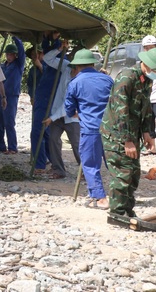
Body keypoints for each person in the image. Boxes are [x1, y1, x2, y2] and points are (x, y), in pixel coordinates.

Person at [100, 47, 156, 217]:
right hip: (117, 135)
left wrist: (147, 132)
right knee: (123, 173)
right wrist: (127, 140)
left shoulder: (146, 79)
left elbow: (146, 107)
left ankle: (127, 210)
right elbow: (120, 111)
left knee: (134, 173)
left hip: (132, 133)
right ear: (147, 64)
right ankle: (117, 213)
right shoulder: (127, 78)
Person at [65, 49, 114, 209]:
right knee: (114, 163)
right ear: (93, 64)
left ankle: (100, 198)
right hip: (111, 128)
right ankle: (121, 194)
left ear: (77, 67)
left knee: (90, 164)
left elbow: (69, 111)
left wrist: (81, 114)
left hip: (90, 129)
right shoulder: (107, 80)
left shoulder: (74, 84)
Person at [41, 39, 79, 179]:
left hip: (71, 115)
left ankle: (85, 171)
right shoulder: (66, 67)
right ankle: (58, 169)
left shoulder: (82, 80)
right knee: (53, 139)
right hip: (58, 112)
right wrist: (59, 49)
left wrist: (52, 117)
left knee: (76, 144)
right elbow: (47, 59)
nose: (75, 70)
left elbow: (68, 105)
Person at [30, 32, 62, 173]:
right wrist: (47, 39)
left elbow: (50, 53)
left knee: (38, 132)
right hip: (43, 99)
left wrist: (55, 41)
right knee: (46, 133)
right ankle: (52, 162)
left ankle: (40, 164)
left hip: (46, 100)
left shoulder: (57, 61)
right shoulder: (49, 63)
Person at [0, 36, 25, 154]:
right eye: (7, 54)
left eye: (11, 54)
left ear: (15, 55)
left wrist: (16, 39)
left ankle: (12, 147)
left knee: (9, 122)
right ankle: (0, 146)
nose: (9, 56)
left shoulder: (18, 65)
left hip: (12, 96)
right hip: (0, 95)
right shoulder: (2, 66)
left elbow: (22, 52)